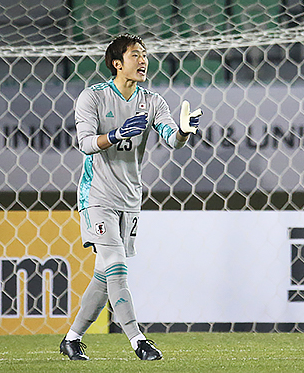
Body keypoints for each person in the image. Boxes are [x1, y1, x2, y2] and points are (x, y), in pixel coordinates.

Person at [60, 33, 202, 361]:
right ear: (117, 63)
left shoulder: (152, 101)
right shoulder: (93, 97)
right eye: (135, 55)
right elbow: (85, 143)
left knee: (104, 274)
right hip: (97, 197)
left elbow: (171, 139)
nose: (143, 60)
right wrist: (115, 135)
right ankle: (139, 341)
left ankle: (72, 339)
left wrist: (184, 131)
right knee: (117, 267)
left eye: (145, 54)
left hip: (130, 199)